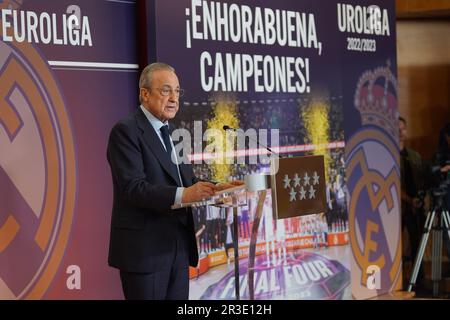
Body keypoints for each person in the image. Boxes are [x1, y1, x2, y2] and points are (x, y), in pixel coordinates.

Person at [107, 62, 237, 300]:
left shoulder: (174, 133)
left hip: (177, 249)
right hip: (145, 252)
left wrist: (218, 189)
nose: (174, 98)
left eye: (177, 91)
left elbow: (188, 180)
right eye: (166, 90)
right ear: (145, 94)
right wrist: (185, 195)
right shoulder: (126, 131)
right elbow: (133, 188)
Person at [399, 116, 425, 287]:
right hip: (398, 208)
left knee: (418, 244)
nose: (400, 132)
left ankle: (419, 280)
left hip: (416, 208)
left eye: (403, 128)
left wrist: (419, 200)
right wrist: (409, 200)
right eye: (397, 129)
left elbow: (423, 180)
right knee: (396, 247)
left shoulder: (414, 156)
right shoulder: (388, 157)